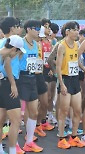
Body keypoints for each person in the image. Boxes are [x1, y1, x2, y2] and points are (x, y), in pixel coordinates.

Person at [56, 21, 85, 149]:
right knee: (64, 110)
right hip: (66, 80)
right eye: (74, 29)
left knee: (77, 110)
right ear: (67, 31)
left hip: (75, 80)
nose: (77, 32)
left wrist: (84, 69)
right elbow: (58, 66)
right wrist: (61, 84)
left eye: (78, 29)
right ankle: (61, 138)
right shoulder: (61, 46)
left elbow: (75, 59)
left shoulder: (76, 45)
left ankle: (74, 137)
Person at [18, 19, 43, 152]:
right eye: (36, 28)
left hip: (32, 78)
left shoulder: (36, 44)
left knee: (34, 111)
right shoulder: (21, 43)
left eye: (39, 28)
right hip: (21, 79)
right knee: (18, 115)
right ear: (28, 29)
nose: (38, 30)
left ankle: (29, 141)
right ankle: (14, 144)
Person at [0, 35, 26, 154]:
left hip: (2, 85)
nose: (18, 55)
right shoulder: (6, 55)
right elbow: (7, 65)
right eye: (19, 51)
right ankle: (12, 151)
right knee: (16, 121)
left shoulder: (2, 51)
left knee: (1, 120)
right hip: (6, 85)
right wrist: (13, 84)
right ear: (14, 49)